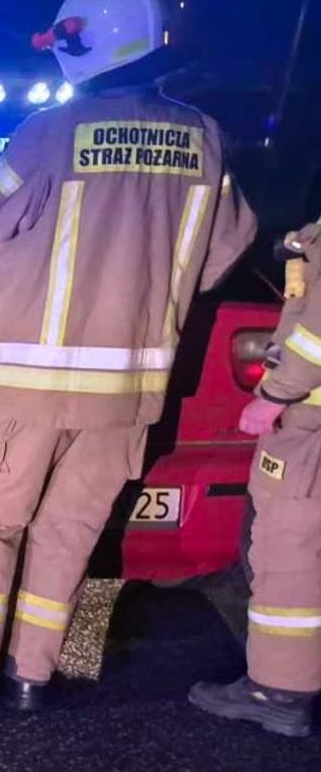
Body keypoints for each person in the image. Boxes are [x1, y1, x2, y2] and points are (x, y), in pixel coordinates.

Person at [0, 0, 255, 713]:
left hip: (30, 390)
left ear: (79, 48)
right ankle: (30, 677)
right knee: (68, 534)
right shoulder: (205, 140)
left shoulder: (52, 133)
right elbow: (222, 253)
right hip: (131, 400)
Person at [189, 220, 321, 737]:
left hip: (308, 426)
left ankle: (277, 691)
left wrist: (273, 396)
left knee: (287, 556)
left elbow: (313, 341)